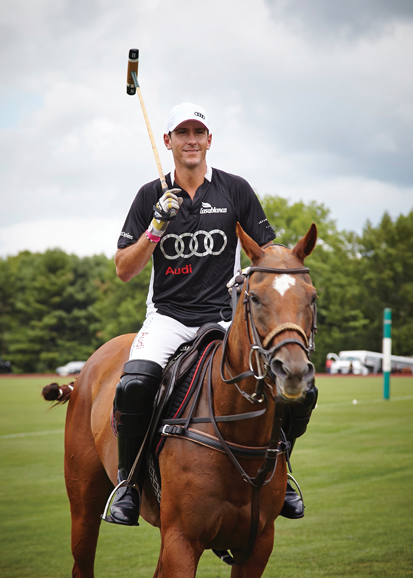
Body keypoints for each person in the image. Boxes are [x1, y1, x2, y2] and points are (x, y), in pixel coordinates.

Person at [109, 102, 315, 526]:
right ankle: (128, 484)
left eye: (198, 132)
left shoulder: (234, 190)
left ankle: (283, 470)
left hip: (225, 318)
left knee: (296, 390)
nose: (191, 140)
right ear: (167, 141)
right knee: (134, 384)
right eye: (182, 133)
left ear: (208, 140)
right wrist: (156, 226)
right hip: (168, 316)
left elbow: (269, 253)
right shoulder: (151, 196)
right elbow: (124, 270)